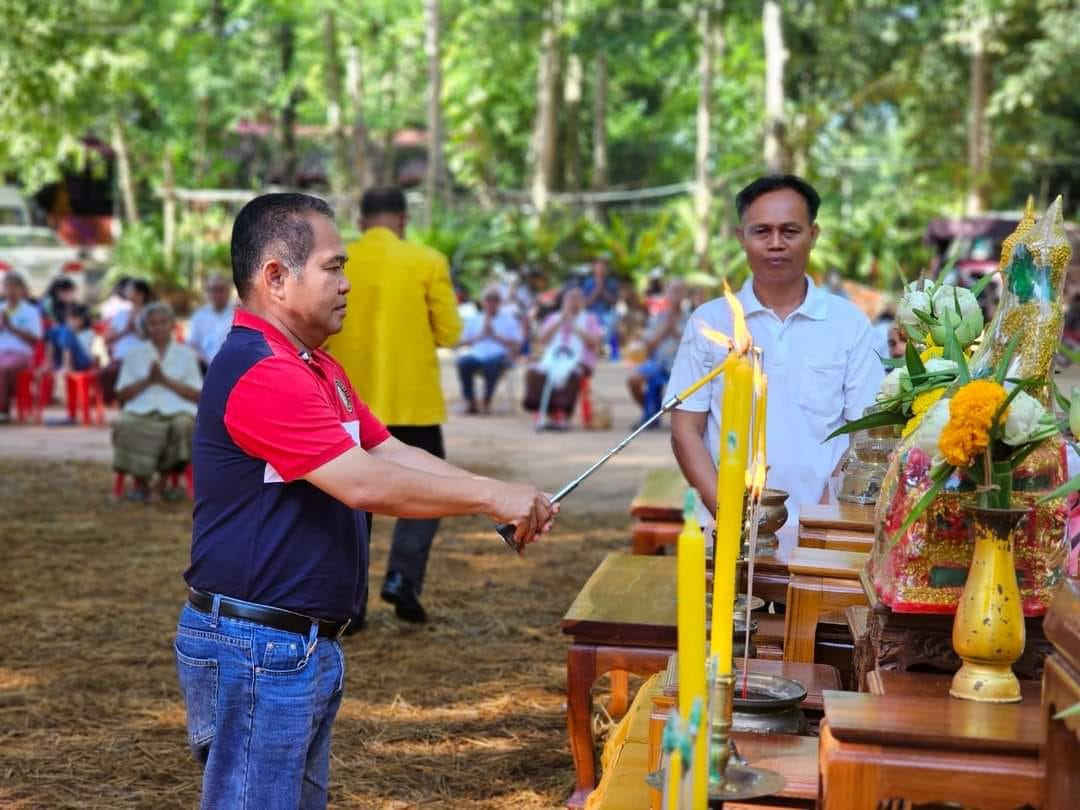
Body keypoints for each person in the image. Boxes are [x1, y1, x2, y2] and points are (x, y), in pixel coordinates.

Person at [177, 192, 554, 809]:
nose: (348, 283)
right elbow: (364, 483)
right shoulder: (262, 371)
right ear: (276, 276)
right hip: (256, 645)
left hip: (294, 643)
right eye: (334, 266)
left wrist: (501, 494)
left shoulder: (315, 367)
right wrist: (490, 496)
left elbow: (387, 452)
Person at [667, 175, 882, 529]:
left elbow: (866, 434)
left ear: (813, 235)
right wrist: (734, 517)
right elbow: (685, 430)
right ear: (741, 237)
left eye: (790, 231)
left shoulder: (849, 324)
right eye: (762, 231)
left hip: (824, 532)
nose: (776, 243)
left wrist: (821, 522)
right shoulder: (711, 323)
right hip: (727, 534)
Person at [324, 186, 462, 624]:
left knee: (350, 501)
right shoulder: (427, 261)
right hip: (413, 402)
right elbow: (451, 332)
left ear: (362, 220)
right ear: (403, 221)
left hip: (349, 403)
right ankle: (403, 578)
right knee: (429, 491)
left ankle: (352, 603)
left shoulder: (338, 260)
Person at [112, 302, 202, 501]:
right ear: (145, 327)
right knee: (126, 424)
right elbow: (122, 394)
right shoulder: (134, 354)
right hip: (141, 409)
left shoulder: (186, 355)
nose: (158, 327)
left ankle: (163, 482)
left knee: (183, 425)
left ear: (172, 325)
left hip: (178, 409)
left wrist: (165, 380)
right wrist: (147, 381)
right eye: (153, 323)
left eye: (163, 322)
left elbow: (197, 394)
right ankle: (141, 483)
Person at [523, 287, 603, 429]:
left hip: (579, 360)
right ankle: (547, 411)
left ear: (583, 302)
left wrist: (574, 325)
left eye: (577, 299)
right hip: (554, 358)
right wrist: (561, 321)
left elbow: (594, 342)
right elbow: (542, 339)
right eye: (570, 299)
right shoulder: (554, 317)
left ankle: (563, 415)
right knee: (535, 372)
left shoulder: (590, 318)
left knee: (572, 373)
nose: (573, 303)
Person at [627, 279, 688, 426]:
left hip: (683, 367)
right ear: (667, 294)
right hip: (659, 364)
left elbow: (696, 345)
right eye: (673, 291)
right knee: (633, 379)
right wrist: (665, 330)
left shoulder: (691, 317)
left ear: (684, 294)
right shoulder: (658, 318)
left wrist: (674, 331)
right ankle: (651, 413)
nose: (676, 295)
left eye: (679, 291)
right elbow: (648, 347)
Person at [456, 285, 523, 414]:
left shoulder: (509, 320)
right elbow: (461, 342)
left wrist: (495, 336)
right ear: (483, 301)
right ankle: (471, 402)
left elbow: (517, 343)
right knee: (463, 363)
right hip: (477, 354)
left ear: (500, 302)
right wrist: (480, 336)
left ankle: (486, 401)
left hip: (500, 356)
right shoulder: (474, 319)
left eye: (495, 299)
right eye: (488, 299)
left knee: (491, 365)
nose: (491, 303)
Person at [101, 278, 153, 404]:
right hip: (121, 357)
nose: (127, 292)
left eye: (131, 289)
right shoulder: (121, 314)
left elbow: (155, 337)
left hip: (144, 357)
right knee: (107, 373)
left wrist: (137, 329)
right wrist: (125, 330)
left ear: (141, 293)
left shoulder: (150, 313)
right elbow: (108, 337)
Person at [0, 272, 44, 420]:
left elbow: (35, 338)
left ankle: (3, 410)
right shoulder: (1, 309)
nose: (10, 292)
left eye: (14, 288)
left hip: (21, 354)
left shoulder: (31, 311)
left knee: (3, 369)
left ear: (22, 290)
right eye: (7, 287)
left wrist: (12, 327)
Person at [187, 273, 235, 371]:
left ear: (229, 291)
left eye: (221, 289)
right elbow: (192, 345)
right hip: (204, 369)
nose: (217, 294)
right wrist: (204, 361)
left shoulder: (239, 315)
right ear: (207, 292)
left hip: (233, 367)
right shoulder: (199, 316)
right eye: (213, 289)